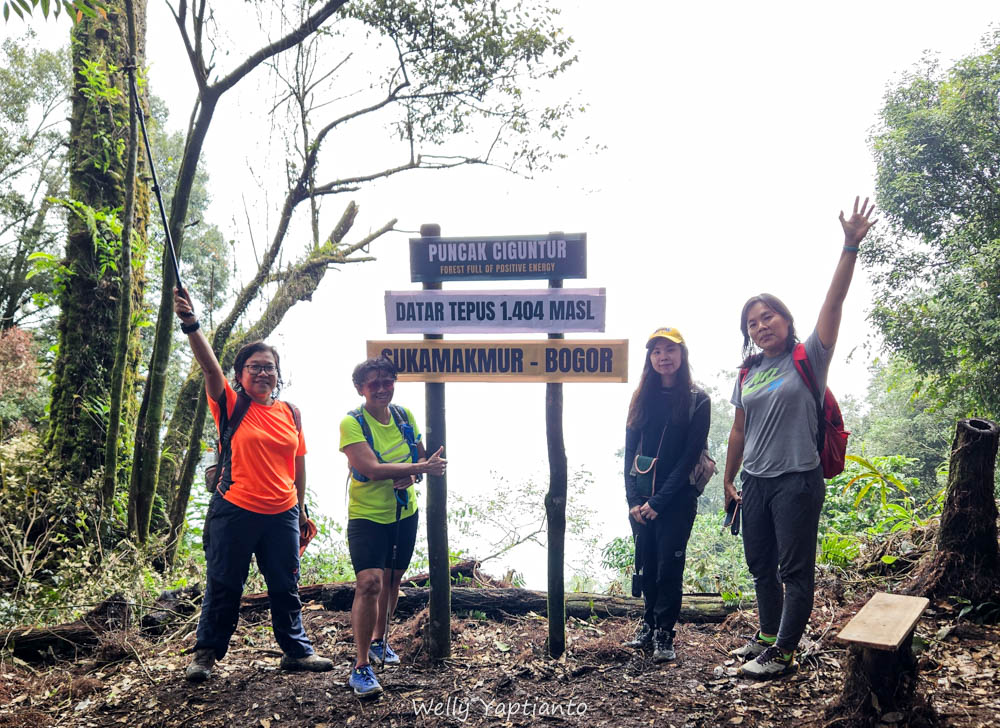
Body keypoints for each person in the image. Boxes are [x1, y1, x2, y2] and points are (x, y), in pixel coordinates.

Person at [724, 197, 876, 679]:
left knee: (794, 571)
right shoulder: (748, 372)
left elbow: (834, 304)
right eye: (752, 322)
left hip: (797, 480)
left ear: (786, 320)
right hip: (756, 482)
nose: (761, 326)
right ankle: (768, 635)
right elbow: (739, 429)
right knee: (760, 565)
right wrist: (728, 479)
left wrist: (849, 246)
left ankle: (785, 653)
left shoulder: (808, 356)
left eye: (768, 316)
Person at [174, 288, 332, 682]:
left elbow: (298, 464)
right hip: (235, 509)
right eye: (255, 367)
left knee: (285, 585)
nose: (263, 373)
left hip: (282, 513)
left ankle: (296, 652)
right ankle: (205, 655)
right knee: (224, 584)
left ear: (278, 374)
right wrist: (191, 324)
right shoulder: (231, 403)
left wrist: (301, 510)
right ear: (240, 374)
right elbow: (209, 368)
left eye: (269, 367)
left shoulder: (290, 413)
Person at [339, 356, 447, 697]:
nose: (382, 388)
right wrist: (419, 469)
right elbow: (370, 468)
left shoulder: (404, 416)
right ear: (360, 388)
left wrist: (414, 474)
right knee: (369, 583)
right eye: (374, 383)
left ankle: (378, 640)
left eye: (388, 381)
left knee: (393, 580)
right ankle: (361, 667)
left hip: (403, 513)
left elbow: (421, 457)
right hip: (367, 516)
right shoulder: (352, 423)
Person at [622, 327, 711, 662]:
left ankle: (664, 632)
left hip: (677, 499)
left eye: (670, 350)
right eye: (656, 351)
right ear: (650, 358)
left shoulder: (698, 400)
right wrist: (633, 501)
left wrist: (658, 503)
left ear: (682, 355)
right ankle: (648, 624)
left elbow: (689, 457)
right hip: (642, 498)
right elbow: (629, 452)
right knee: (646, 564)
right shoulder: (642, 397)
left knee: (669, 568)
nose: (663, 357)